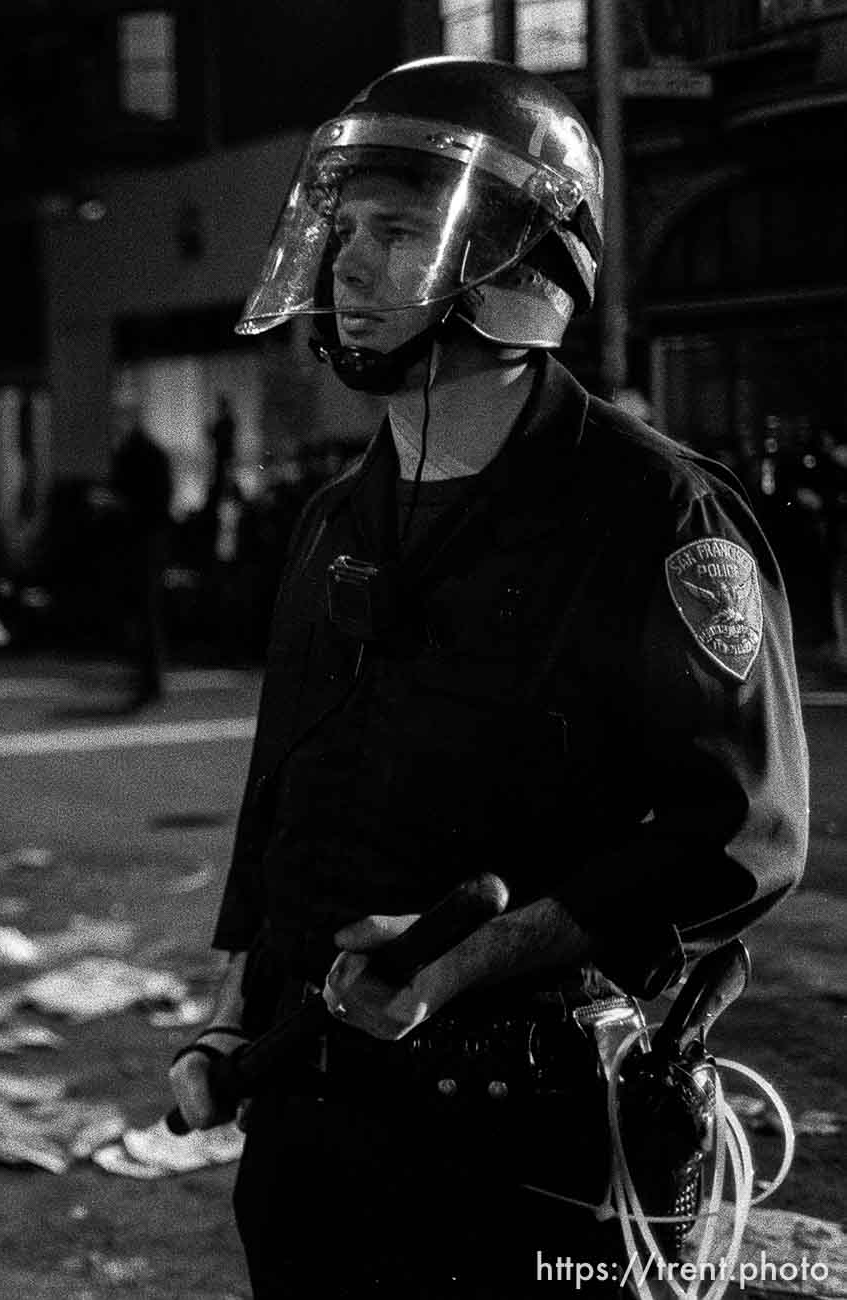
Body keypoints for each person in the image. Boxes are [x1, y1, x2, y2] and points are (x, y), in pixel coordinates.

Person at [163, 57, 807, 1298]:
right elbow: (282, 796)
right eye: (343, 229)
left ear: (525, 262)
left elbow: (741, 830)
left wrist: (468, 957)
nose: (348, 266)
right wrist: (232, 1011)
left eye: (400, 233)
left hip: (531, 1136)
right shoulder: (334, 519)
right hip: (312, 1116)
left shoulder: (655, 515)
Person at [109, 414, 174, 708]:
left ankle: (149, 680)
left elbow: (139, 499)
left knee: (144, 614)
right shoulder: (150, 455)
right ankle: (151, 679)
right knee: (148, 614)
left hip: (141, 541)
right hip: (149, 540)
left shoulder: (137, 456)